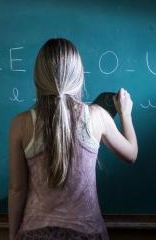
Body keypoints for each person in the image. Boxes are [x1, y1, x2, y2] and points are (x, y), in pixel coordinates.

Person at [8, 38, 138, 240]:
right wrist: (126, 115)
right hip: (88, 234)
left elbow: (17, 189)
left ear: (38, 78)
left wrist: (13, 235)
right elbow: (131, 154)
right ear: (78, 76)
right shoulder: (97, 116)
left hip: (35, 233)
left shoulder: (21, 124)